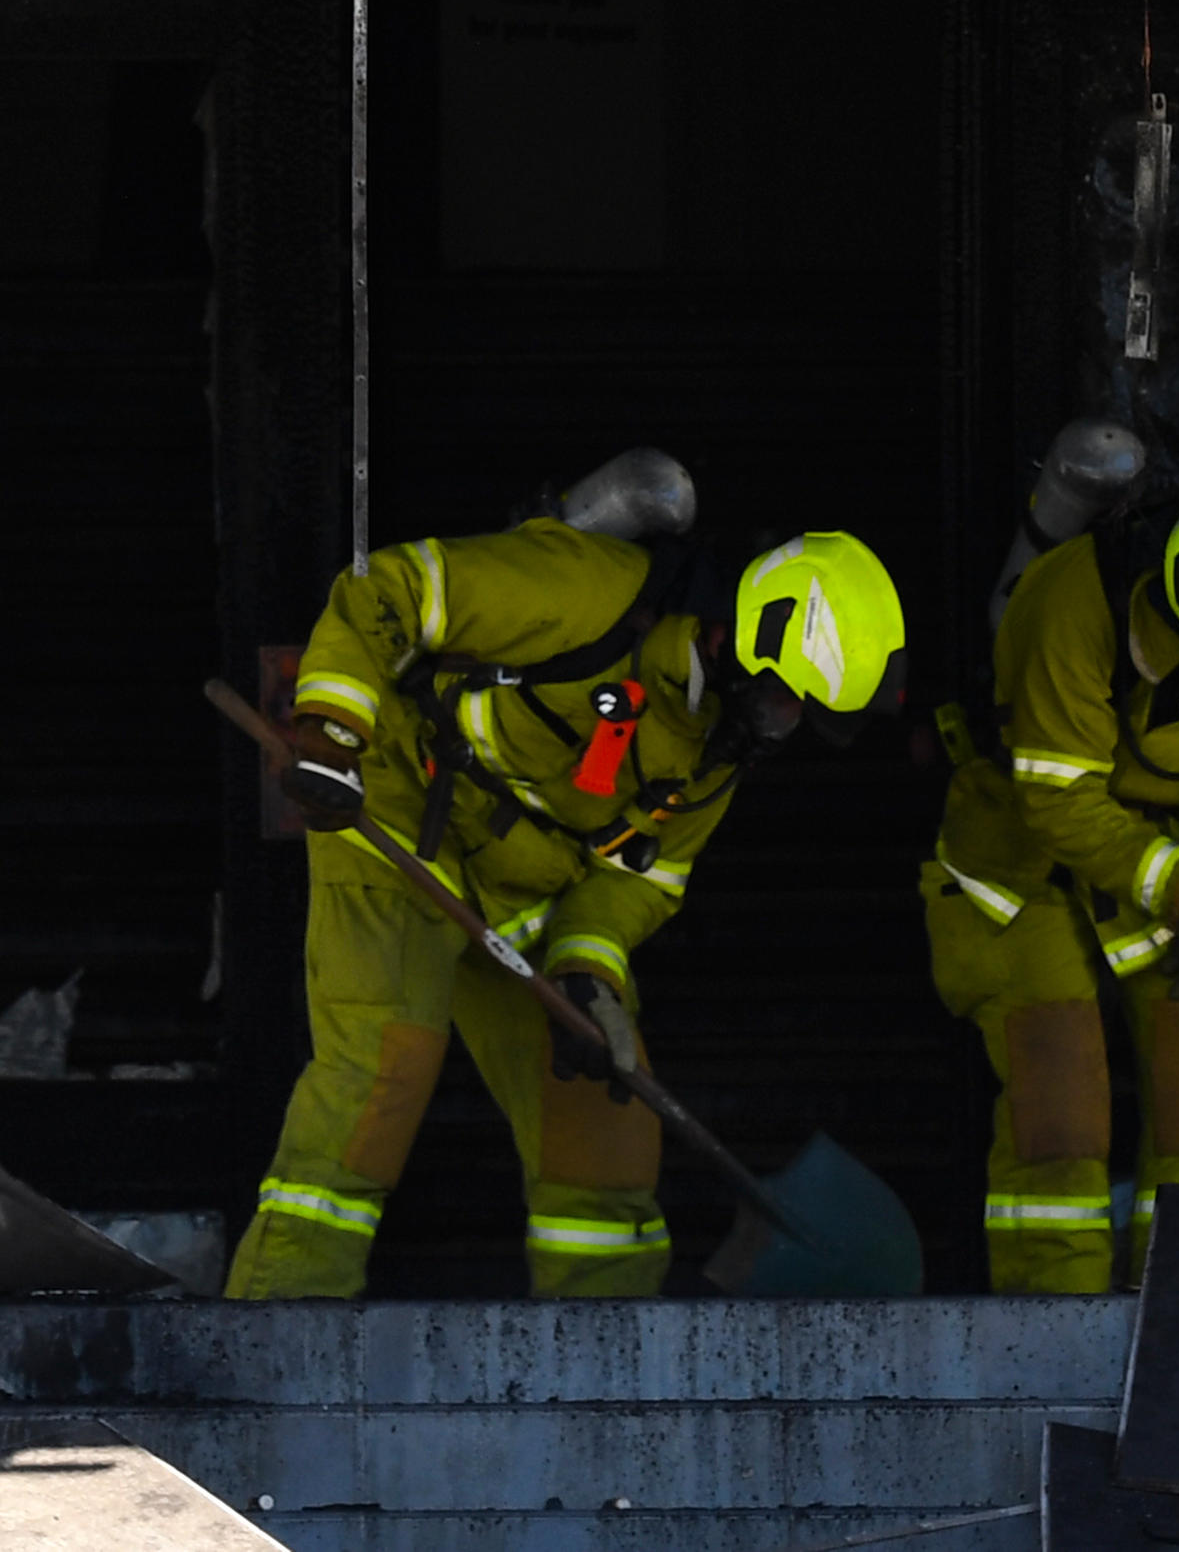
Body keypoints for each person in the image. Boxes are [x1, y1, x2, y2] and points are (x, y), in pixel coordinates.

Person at [224, 451, 909, 1301]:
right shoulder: (585, 592)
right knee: (385, 1066)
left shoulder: (717, 751)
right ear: (742, 639)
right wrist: (331, 733)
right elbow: (385, 589)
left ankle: (606, 1375)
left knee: (608, 1119)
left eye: (799, 719)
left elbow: (644, 880)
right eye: (781, 702)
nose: (781, 727)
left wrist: (588, 971)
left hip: (523, 890)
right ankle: (277, 1330)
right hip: (402, 813)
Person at [923, 463, 1179, 1292]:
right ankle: (1055, 1352)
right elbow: (1061, 800)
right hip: (1026, 860)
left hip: (1173, 858)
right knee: (1060, 1112)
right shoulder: (1069, 607)